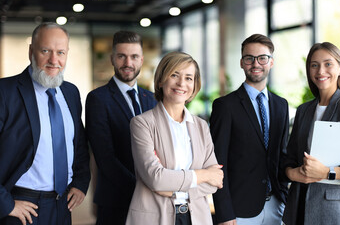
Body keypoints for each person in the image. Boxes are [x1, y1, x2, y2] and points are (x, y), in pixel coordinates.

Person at [0, 22, 90, 225]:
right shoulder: (5, 92)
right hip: (21, 207)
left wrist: (81, 182)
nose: (54, 60)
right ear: (31, 51)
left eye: (61, 52)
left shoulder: (71, 93)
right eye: (45, 51)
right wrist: (6, 204)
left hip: (62, 206)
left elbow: (79, 145)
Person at [126, 51, 223, 225]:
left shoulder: (201, 126)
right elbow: (156, 178)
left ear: (195, 85)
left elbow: (215, 181)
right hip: (155, 217)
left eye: (188, 78)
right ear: (161, 79)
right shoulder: (142, 124)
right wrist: (203, 174)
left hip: (197, 217)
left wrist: (173, 190)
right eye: (174, 75)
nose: (181, 83)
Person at [210, 34, 289, 225]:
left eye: (262, 58)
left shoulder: (281, 105)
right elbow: (217, 162)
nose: (256, 64)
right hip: (239, 211)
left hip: (277, 205)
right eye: (249, 58)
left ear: (271, 62)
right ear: (241, 62)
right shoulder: (225, 106)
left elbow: (282, 154)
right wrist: (224, 213)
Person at [282, 42, 340, 225]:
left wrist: (328, 172)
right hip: (299, 207)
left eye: (328, 64)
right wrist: (293, 174)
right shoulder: (303, 111)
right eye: (314, 65)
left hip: (334, 212)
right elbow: (289, 158)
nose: (320, 71)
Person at [85, 31, 157, 225]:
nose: (128, 63)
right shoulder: (98, 99)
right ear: (112, 59)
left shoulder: (151, 99)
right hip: (115, 202)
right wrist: (143, 188)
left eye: (134, 57)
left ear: (141, 59)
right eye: (121, 56)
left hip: (153, 203)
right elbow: (105, 158)